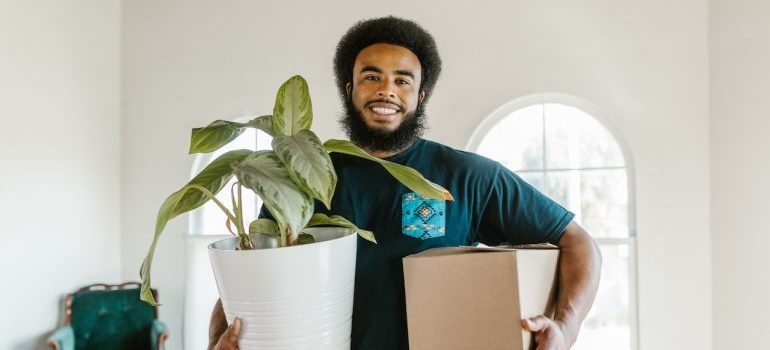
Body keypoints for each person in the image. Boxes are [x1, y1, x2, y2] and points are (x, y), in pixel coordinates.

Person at [210, 16, 601, 350]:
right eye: (371, 77)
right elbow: (249, 271)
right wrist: (217, 341)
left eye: (403, 80)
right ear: (349, 89)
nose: (386, 90)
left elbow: (578, 243)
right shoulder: (302, 177)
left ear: (420, 95)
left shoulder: (467, 176)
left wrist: (565, 329)